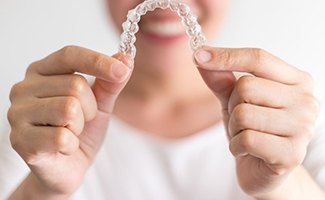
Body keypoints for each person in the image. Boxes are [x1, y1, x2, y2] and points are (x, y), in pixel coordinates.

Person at [2, 0, 325, 199]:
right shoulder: (47, 126)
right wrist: (40, 191)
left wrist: (283, 186)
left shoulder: (297, 124)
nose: (165, 2)